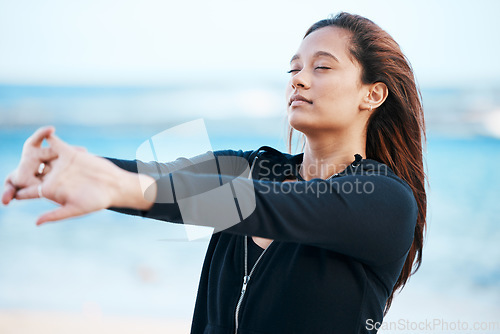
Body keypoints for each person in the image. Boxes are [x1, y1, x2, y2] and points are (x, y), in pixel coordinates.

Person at [2, 12, 426, 334]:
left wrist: (121, 188)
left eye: (322, 67)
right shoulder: (255, 167)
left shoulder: (385, 201)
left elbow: (262, 206)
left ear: (372, 94)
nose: (298, 80)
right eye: (293, 68)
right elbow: (164, 174)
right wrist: (66, 167)